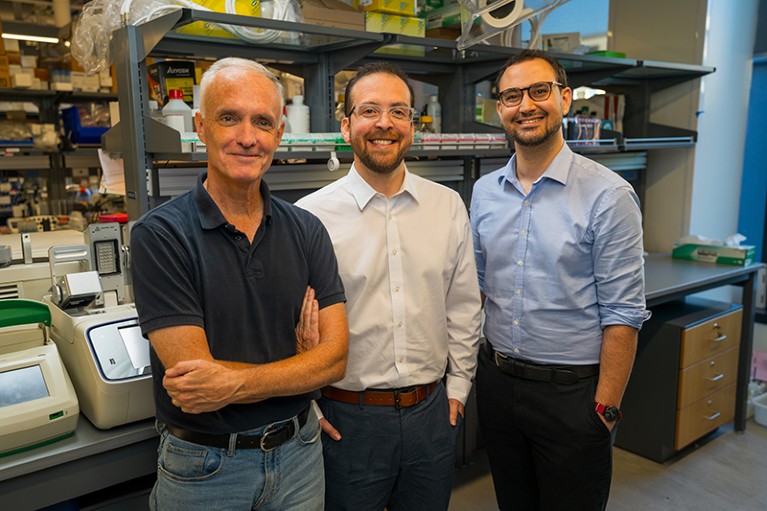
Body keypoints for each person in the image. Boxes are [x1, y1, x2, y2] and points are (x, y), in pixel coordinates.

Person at [130, 57, 349, 511]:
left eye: (262, 122)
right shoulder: (160, 235)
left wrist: (237, 381)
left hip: (301, 458)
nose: (247, 138)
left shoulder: (307, 229)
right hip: (205, 470)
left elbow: (336, 360)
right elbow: (196, 388)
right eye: (229, 118)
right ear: (201, 125)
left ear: (280, 133)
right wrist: (299, 364)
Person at [470, 49, 651, 511]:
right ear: (499, 109)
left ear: (565, 99)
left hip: (573, 396)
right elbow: (478, 285)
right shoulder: (485, 192)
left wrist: (605, 410)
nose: (525, 105)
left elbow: (624, 313)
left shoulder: (609, 196)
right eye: (512, 96)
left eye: (539, 91)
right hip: (498, 384)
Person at [296, 61, 482, 511]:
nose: (384, 123)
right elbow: (291, 326)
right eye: (369, 111)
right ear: (346, 125)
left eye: (399, 112)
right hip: (345, 420)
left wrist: (458, 387)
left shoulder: (447, 205)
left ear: (413, 126)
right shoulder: (308, 217)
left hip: (431, 414)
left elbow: (464, 306)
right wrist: (309, 408)